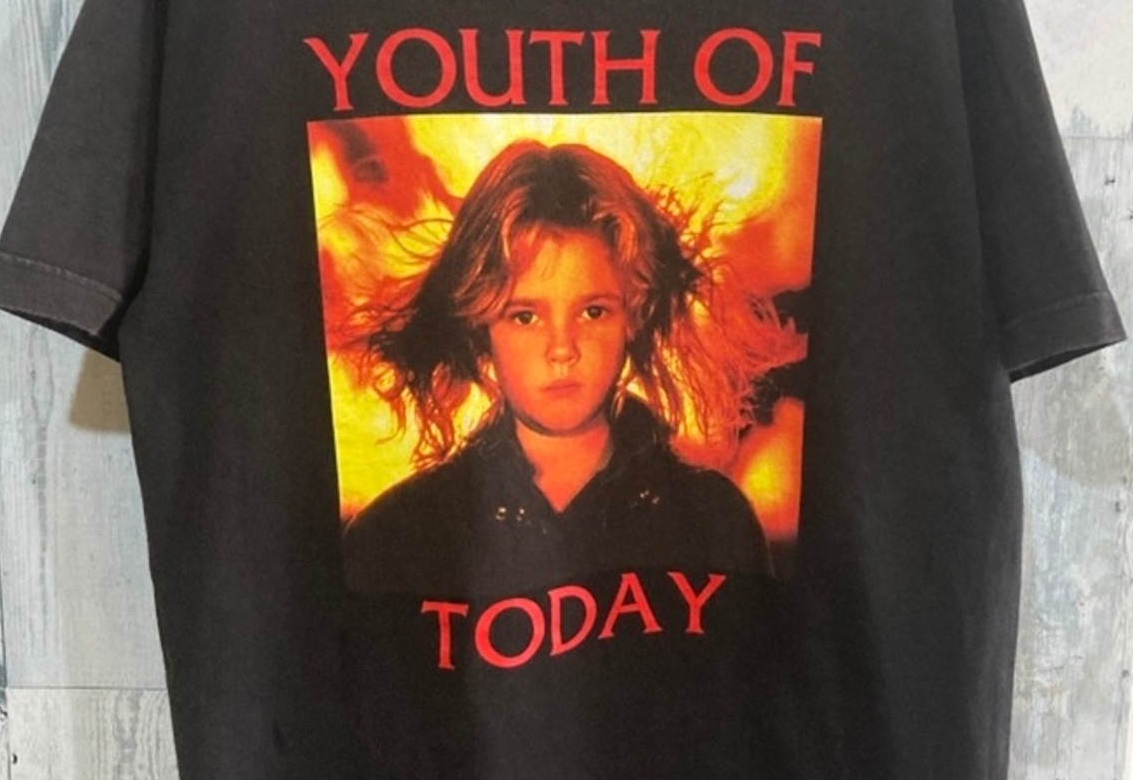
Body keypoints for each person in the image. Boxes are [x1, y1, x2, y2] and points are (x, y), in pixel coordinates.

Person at [336, 139, 795, 596]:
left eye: (593, 312)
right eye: (524, 316)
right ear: (479, 329)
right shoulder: (396, 539)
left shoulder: (713, 523)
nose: (562, 349)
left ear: (633, 315)